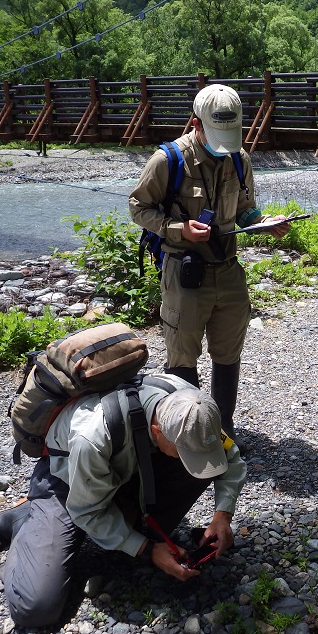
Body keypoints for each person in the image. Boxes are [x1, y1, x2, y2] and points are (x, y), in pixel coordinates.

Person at [0, 374, 246, 628]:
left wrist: (222, 516)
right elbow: (87, 511)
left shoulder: (194, 409)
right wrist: (148, 550)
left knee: (187, 476)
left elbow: (230, 457)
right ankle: (29, 519)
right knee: (36, 607)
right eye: (185, 453)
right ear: (157, 430)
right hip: (67, 482)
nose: (195, 462)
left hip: (123, 469)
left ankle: (127, 523)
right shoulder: (92, 437)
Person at [129, 83, 290, 448]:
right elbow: (138, 208)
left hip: (228, 269)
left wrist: (265, 222)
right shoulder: (167, 160)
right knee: (183, 356)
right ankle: (189, 437)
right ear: (196, 124)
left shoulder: (239, 158)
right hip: (184, 272)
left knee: (228, 352)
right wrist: (178, 228)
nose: (224, 144)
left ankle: (223, 431)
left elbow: (245, 210)